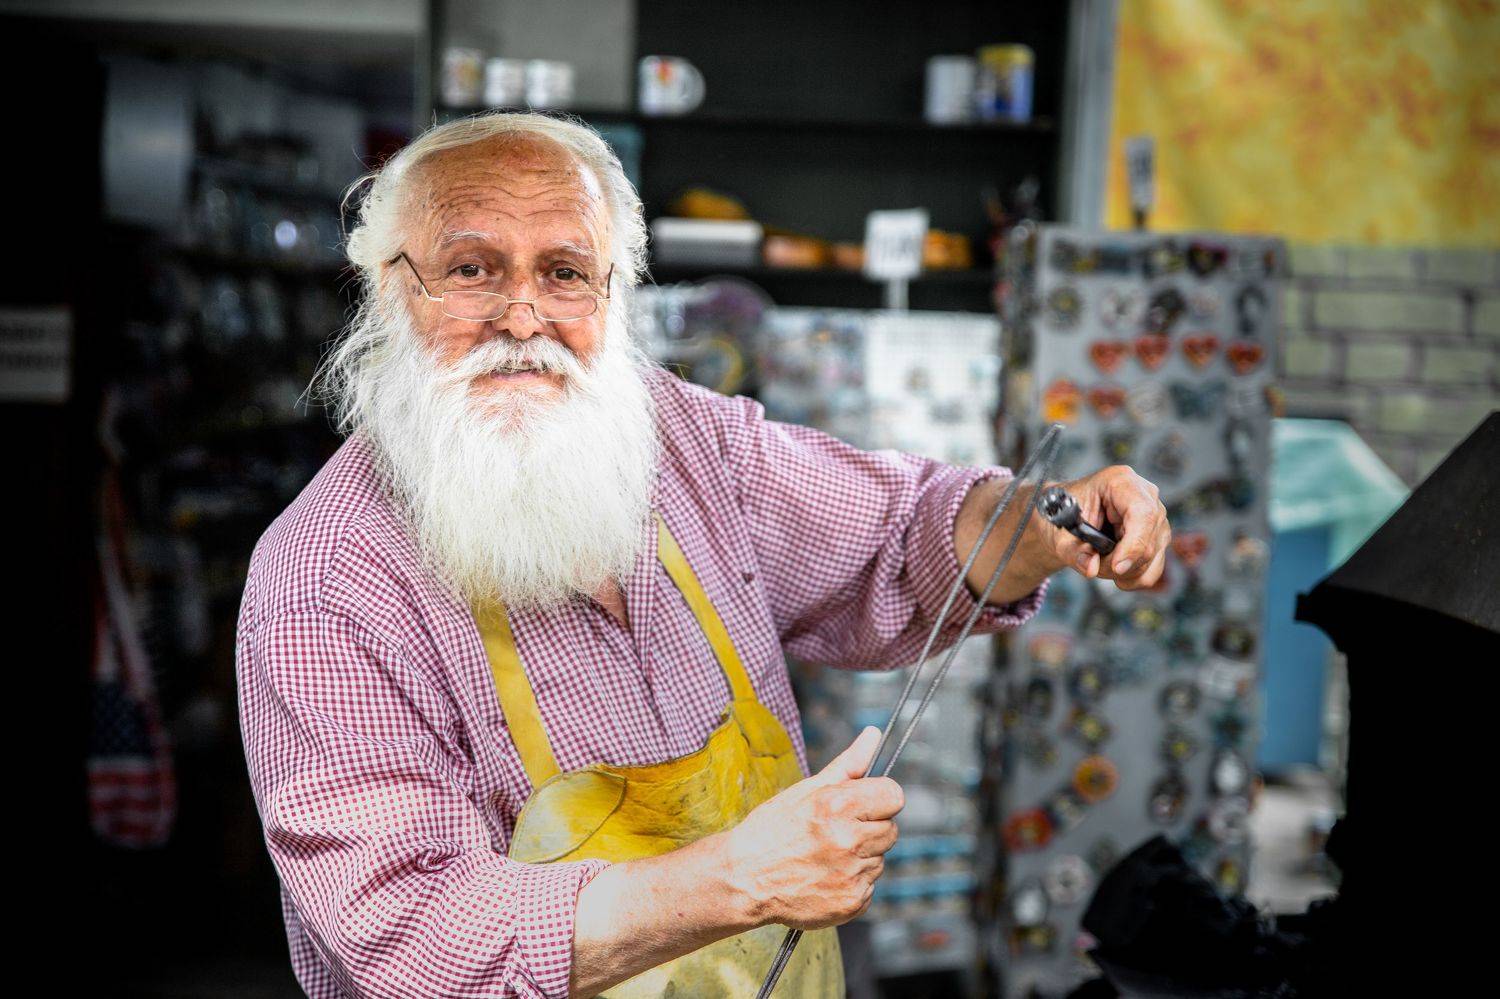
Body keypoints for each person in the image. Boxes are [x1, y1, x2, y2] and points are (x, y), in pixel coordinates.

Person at [235, 111, 1171, 999]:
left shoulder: (682, 437)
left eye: (566, 272)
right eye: (471, 269)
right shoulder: (327, 584)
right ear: (390, 287)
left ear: (616, 289)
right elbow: (412, 929)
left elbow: (896, 532)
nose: (522, 316)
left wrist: (1038, 523)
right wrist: (740, 879)